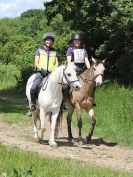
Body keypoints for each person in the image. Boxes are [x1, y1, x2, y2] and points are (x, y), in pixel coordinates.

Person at [30, 32, 58, 112]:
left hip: (51, 74)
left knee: (62, 87)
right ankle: (33, 104)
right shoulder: (39, 50)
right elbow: (36, 62)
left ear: (52, 42)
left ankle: (61, 104)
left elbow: (56, 63)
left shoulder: (54, 51)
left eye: (50, 40)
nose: (49, 42)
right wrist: (42, 70)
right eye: (47, 40)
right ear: (45, 41)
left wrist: (54, 71)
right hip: (41, 73)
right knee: (33, 88)